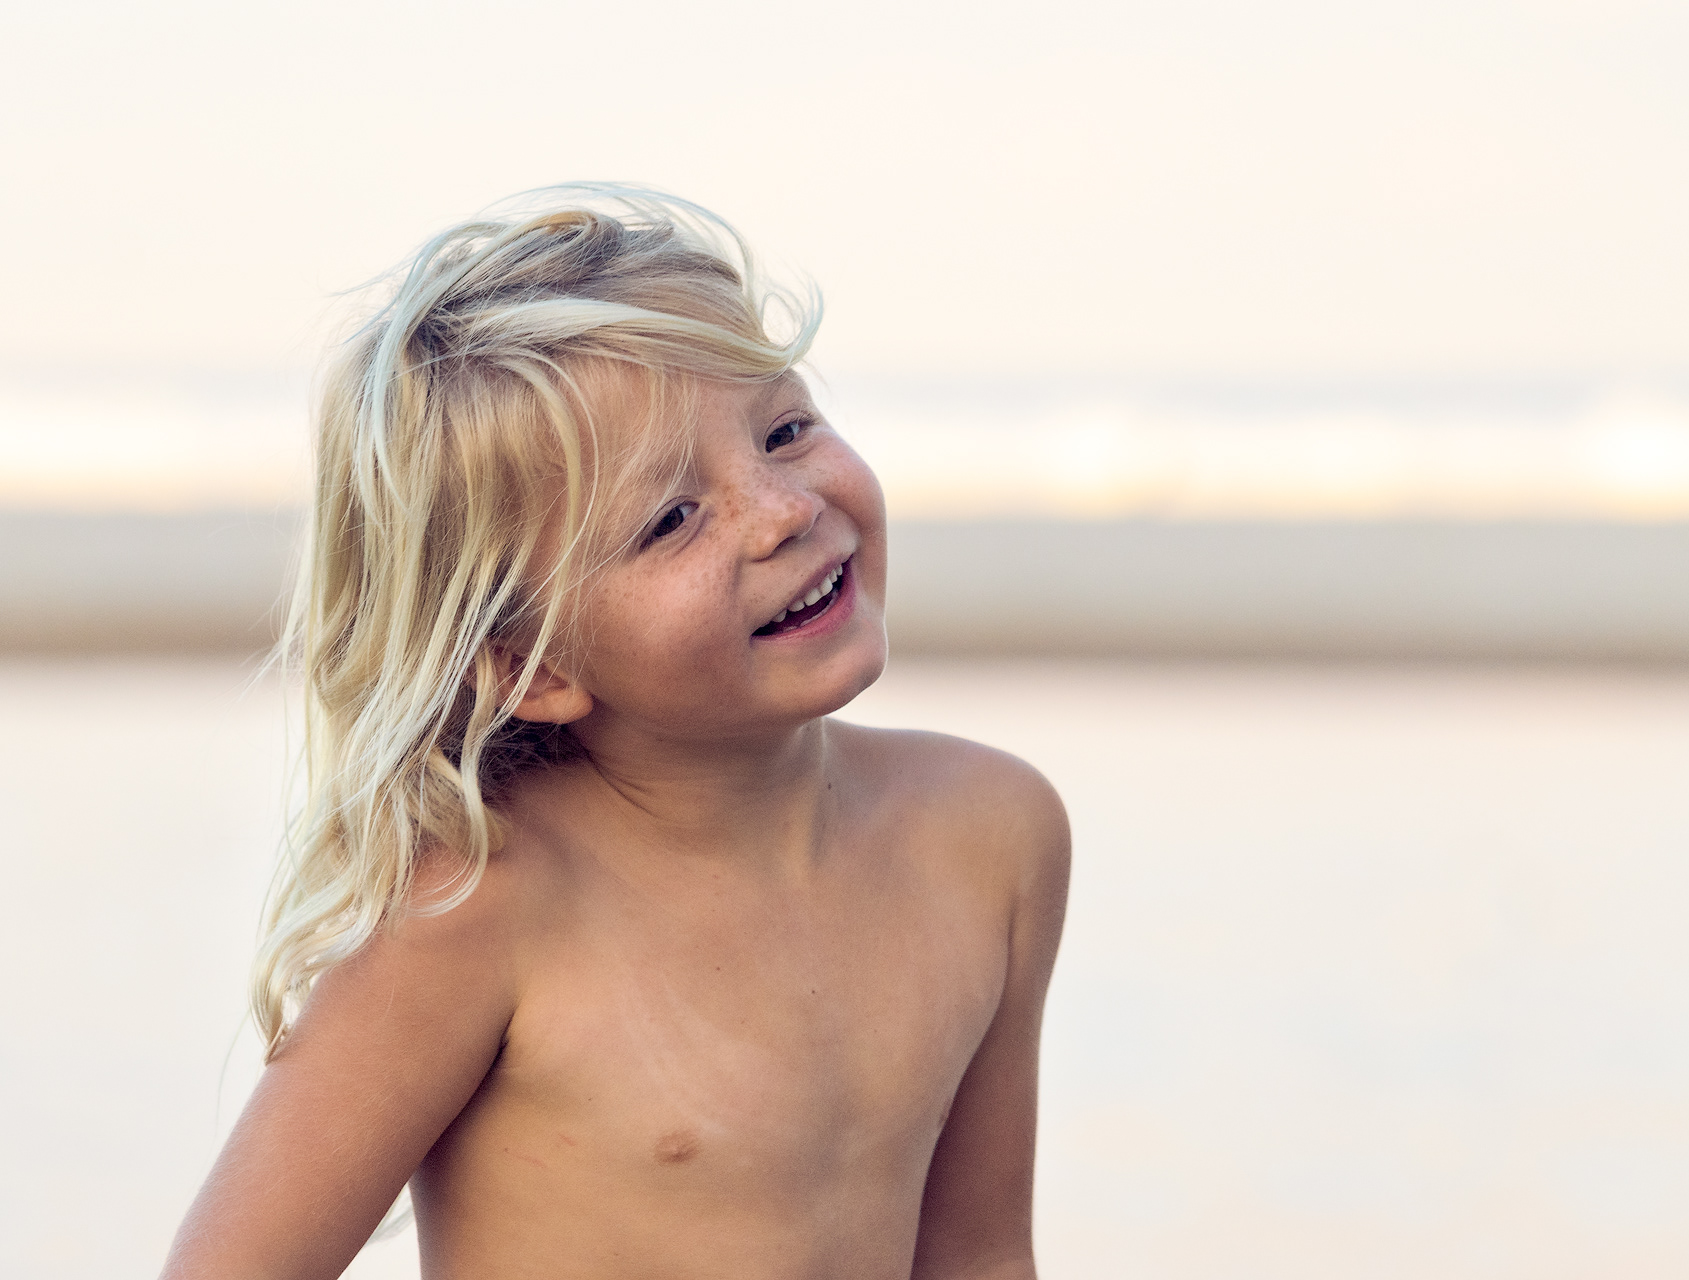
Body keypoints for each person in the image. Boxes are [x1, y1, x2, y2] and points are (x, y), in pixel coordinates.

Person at [160, 186, 1070, 1280]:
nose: (784, 508)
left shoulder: (991, 835)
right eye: (671, 518)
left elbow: (978, 1253)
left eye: (785, 430)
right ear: (529, 665)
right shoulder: (476, 911)